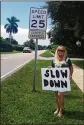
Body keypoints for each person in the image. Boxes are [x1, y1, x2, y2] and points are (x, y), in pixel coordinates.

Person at [51, 45, 73, 118]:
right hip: (55, 80)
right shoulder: (54, 60)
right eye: (59, 50)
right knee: (57, 95)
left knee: (61, 95)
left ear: (64, 52)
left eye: (62, 50)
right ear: (57, 51)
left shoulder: (67, 59)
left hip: (63, 80)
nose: (61, 52)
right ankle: (58, 108)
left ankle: (61, 110)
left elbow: (71, 67)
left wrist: (70, 75)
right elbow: (52, 68)